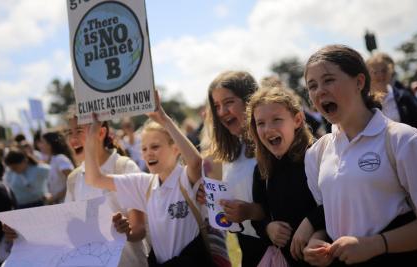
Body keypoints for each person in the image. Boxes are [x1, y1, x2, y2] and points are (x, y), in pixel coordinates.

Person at [302, 45, 417, 266]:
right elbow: (333, 217)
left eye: (328, 80)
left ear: (359, 82)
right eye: (312, 86)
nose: (319, 92)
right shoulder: (317, 153)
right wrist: (317, 241)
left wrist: (377, 244)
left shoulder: (403, 139)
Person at [84, 92, 214, 266]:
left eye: (155, 146)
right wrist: (92, 137)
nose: (148, 153)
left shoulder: (185, 178)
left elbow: (196, 163)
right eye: (144, 149)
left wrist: (164, 120)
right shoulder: (143, 184)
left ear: (175, 150)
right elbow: (94, 179)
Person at [247, 86, 324, 266]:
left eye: (277, 120)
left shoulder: (317, 156)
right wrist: (268, 228)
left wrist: (312, 223)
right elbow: (261, 214)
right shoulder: (261, 169)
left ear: (297, 120)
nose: (268, 129)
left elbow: (338, 201)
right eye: (261, 123)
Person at [63, 107, 148, 267]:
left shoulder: (124, 167)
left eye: (79, 130)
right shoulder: (73, 179)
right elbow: (67, 228)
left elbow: (140, 229)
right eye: (69, 133)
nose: (72, 139)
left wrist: (127, 230)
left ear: (101, 133)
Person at [203, 70, 268, 266]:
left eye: (229, 102)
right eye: (217, 106)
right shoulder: (231, 152)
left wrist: (252, 211)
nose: (222, 111)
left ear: (250, 100)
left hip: (280, 249)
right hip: (248, 249)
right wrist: (212, 200)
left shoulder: (273, 143)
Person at [366, 53, 417, 140]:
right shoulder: (366, 103)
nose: (380, 75)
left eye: (384, 70)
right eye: (375, 72)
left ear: (390, 72)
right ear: (368, 76)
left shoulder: (404, 97)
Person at [38, 131, 75, 204]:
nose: (40, 145)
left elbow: (74, 181)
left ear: (49, 145)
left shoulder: (60, 159)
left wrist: (55, 197)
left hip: (68, 204)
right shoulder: (51, 160)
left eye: (42, 142)